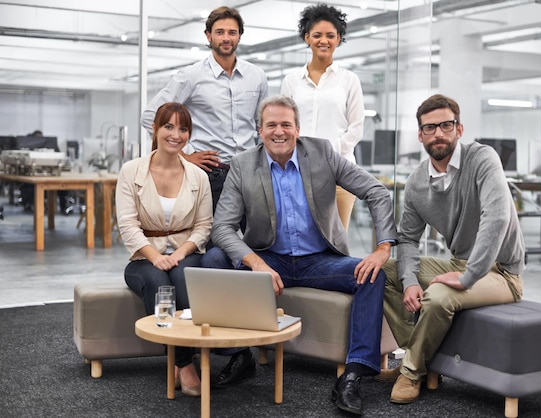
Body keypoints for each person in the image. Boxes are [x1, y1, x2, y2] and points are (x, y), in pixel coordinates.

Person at [200, 95, 397, 415]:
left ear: (298, 128)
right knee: (213, 260)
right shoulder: (242, 164)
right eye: (271, 125)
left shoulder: (321, 153)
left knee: (372, 274)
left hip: (320, 260)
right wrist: (256, 262)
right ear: (259, 130)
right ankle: (239, 354)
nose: (279, 132)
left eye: (286, 125)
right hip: (269, 258)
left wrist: (382, 247)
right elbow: (222, 228)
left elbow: (376, 191)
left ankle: (354, 374)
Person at [377, 94, 525, 404]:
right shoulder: (417, 183)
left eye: (446, 125)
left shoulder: (483, 158)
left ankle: (411, 371)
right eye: (429, 128)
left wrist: (469, 276)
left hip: (501, 273)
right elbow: (407, 239)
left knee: (440, 295)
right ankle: (421, 359)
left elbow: (495, 218)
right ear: (420, 135)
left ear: (459, 129)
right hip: (458, 263)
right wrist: (410, 281)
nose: (438, 134)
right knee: (386, 273)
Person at [117, 102, 213, 398]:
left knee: (184, 279)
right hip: (144, 256)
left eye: (183, 128)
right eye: (168, 126)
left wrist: (179, 253)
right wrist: (156, 257)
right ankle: (185, 364)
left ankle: (187, 355)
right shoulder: (131, 171)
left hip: (186, 252)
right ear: (155, 130)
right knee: (160, 284)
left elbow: (204, 226)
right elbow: (128, 226)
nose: (176, 134)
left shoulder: (199, 176)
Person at [141, 6, 268, 212]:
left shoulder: (257, 76)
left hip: (250, 172)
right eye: (220, 32)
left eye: (232, 32)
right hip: (210, 174)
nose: (226, 38)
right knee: (210, 240)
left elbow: (263, 126)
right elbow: (150, 117)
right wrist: (184, 156)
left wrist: (265, 163)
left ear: (240, 36)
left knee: (258, 240)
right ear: (208, 36)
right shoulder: (191, 76)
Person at [280, 3, 364, 231]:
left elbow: (356, 128)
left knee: (337, 243)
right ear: (307, 38)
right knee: (299, 239)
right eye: (317, 35)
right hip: (298, 174)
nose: (323, 41)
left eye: (330, 35)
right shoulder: (291, 81)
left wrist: (325, 154)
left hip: (340, 174)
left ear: (338, 38)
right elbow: (283, 127)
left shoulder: (349, 80)